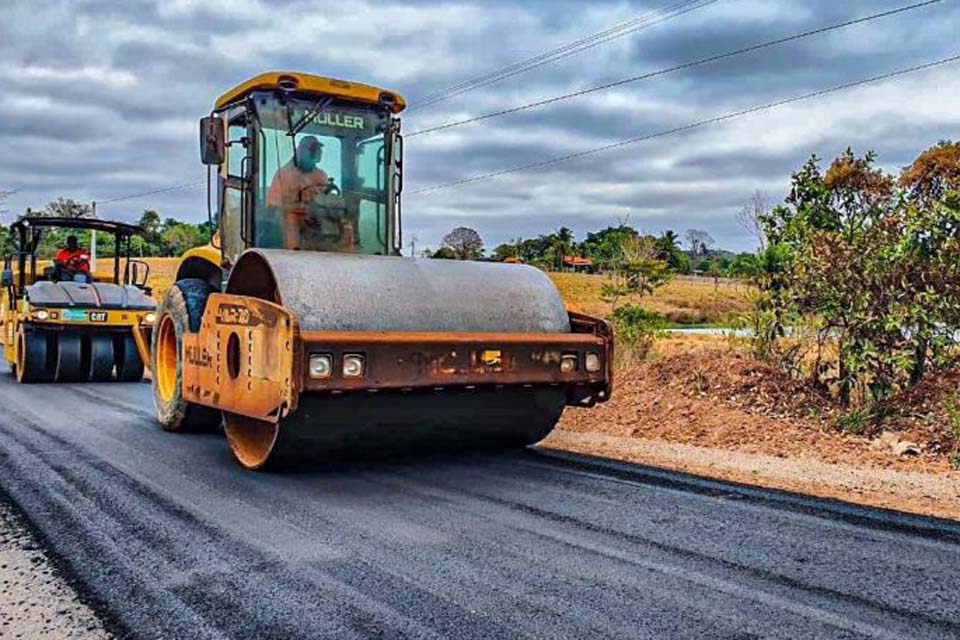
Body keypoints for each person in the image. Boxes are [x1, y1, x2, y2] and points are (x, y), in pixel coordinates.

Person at [266, 136, 331, 250]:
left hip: (317, 221)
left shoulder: (321, 176)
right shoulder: (283, 174)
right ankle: (293, 253)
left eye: (317, 150)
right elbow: (273, 206)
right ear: (300, 151)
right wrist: (296, 207)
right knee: (291, 218)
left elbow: (325, 201)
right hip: (290, 222)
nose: (317, 153)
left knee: (345, 225)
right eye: (313, 149)